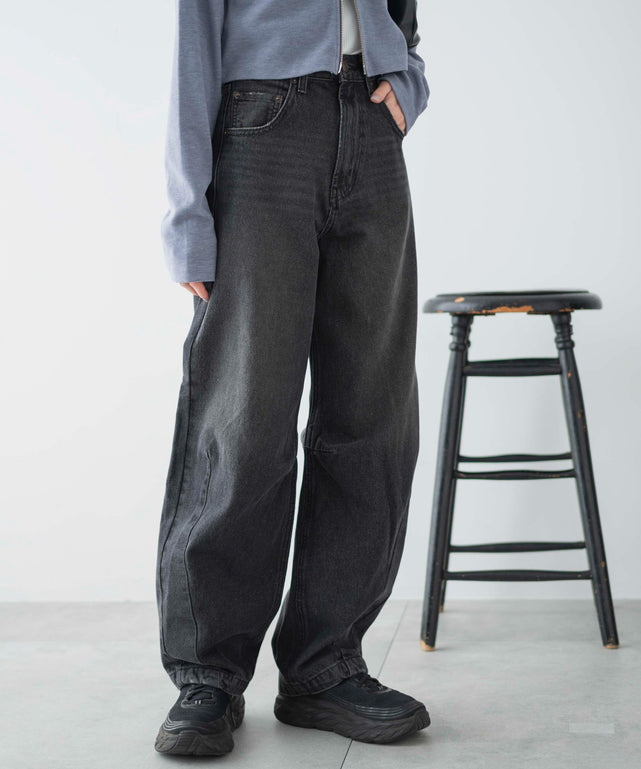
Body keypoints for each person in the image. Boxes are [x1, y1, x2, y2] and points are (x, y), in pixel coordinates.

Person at [154, 0, 431, 756]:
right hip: (261, 129)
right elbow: (191, 46)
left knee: (372, 417)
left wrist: (407, 82)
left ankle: (323, 666)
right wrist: (187, 217)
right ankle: (208, 675)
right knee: (244, 419)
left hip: (372, 133)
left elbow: (402, 17)